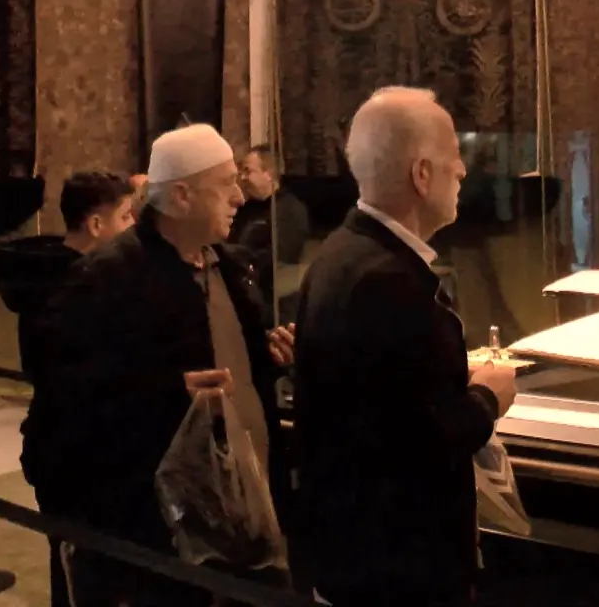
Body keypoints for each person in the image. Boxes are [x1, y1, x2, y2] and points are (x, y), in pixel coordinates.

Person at [39, 124, 296, 606]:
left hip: (248, 515)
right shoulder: (104, 281)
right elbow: (66, 409)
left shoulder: (228, 266)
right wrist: (164, 391)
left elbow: (230, 364)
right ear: (180, 196)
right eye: (226, 184)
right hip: (161, 537)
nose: (239, 197)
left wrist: (266, 358)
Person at [291, 86, 518, 606]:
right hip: (397, 570)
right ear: (422, 174)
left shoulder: (341, 253)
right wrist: (489, 397)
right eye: (454, 158)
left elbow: (381, 403)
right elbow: (422, 439)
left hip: (350, 555)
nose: (462, 171)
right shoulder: (386, 279)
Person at [0, 170, 136, 607]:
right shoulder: (75, 289)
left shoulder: (59, 281)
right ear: (96, 224)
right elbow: (82, 378)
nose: (132, 227)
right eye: (126, 216)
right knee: (92, 576)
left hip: (63, 445)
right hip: (80, 452)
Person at [227, 144, 310, 325]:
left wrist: (240, 260)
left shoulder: (289, 210)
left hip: (274, 303)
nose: (243, 177)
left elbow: (281, 256)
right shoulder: (245, 209)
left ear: (269, 174)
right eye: (241, 172)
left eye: (248, 171)